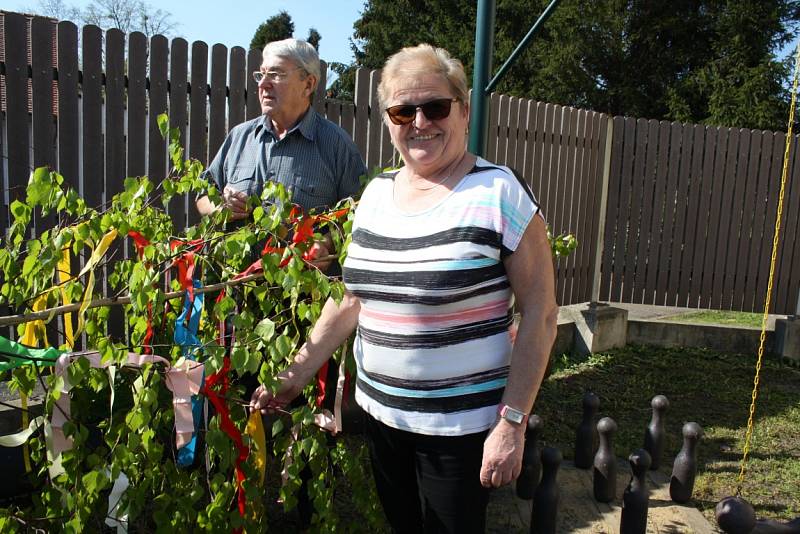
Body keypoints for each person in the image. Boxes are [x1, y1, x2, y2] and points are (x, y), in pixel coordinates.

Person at [250, 44, 558, 533]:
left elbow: (540, 311)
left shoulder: (499, 193)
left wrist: (513, 423)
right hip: (381, 419)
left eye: (434, 107)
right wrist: (295, 374)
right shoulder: (376, 195)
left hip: (458, 431)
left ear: (462, 109)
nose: (420, 122)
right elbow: (352, 298)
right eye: (402, 110)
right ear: (388, 119)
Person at [196, 38, 366, 269]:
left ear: (308, 84)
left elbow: (360, 219)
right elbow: (202, 197)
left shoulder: (337, 146)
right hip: (234, 294)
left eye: (275, 74)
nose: (263, 84)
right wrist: (218, 207)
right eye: (261, 74)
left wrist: (326, 244)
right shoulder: (239, 138)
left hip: (302, 296)